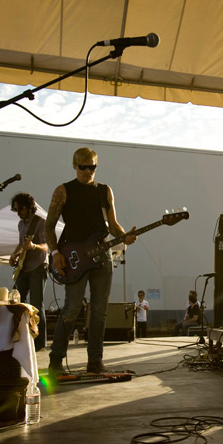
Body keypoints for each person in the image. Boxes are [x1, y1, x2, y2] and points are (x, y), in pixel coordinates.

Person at [45, 147, 136, 375]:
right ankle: (56, 361)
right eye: (83, 167)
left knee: (99, 311)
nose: (88, 171)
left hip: (102, 257)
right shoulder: (63, 191)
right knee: (71, 308)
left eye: (92, 167)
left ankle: (95, 361)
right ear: (75, 166)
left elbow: (113, 225)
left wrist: (124, 236)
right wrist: (55, 253)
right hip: (73, 256)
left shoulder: (105, 191)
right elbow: (48, 225)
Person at [9, 192, 48, 351]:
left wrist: (34, 247)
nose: (18, 213)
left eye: (21, 209)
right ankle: (21, 338)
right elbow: (21, 243)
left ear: (29, 207)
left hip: (38, 266)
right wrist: (14, 254)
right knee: (17, 302)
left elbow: (46, 246)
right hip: (24, 268)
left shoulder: (41, 222)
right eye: (16, 210)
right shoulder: (21, 224)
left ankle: (40, 343)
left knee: (37, 304)